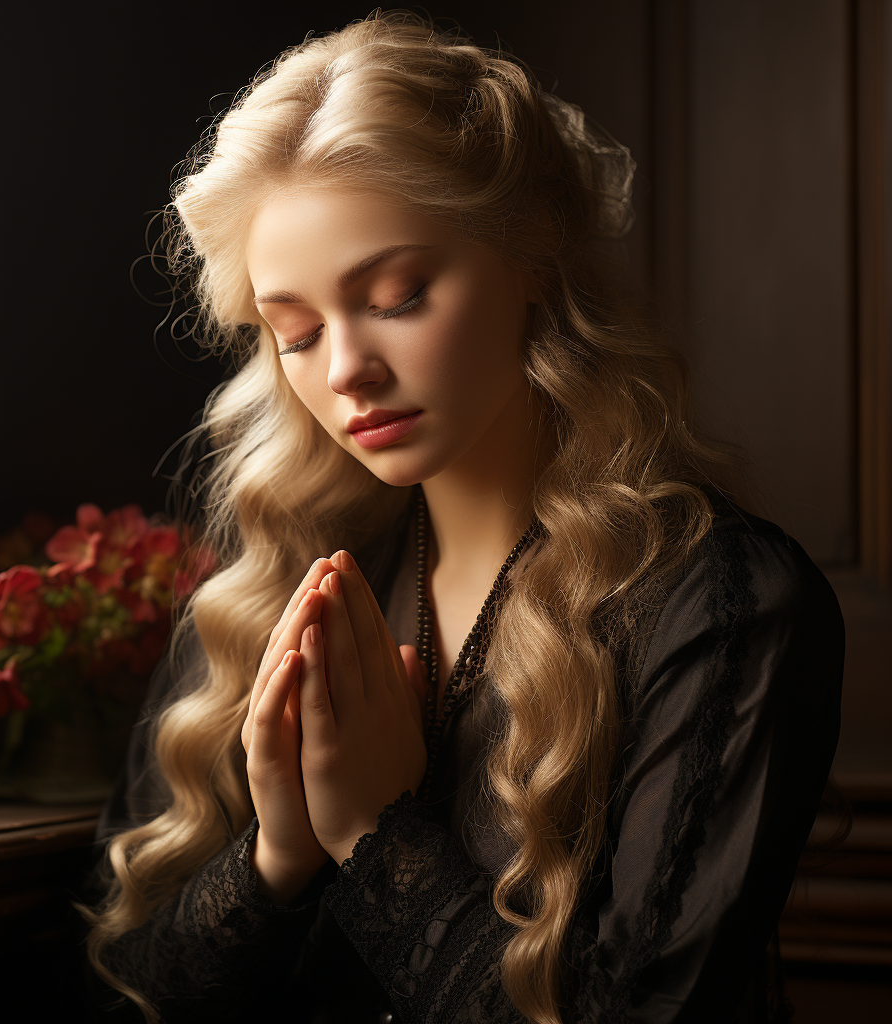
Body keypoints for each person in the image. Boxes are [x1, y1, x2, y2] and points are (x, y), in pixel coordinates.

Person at [82, 11, 845, 1024]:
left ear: (530, 259)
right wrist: (276, 853)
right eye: (296, 331)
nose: (346, 368)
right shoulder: (267, 584)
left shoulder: (724, 606)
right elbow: (121, 987)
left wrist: (372, 832)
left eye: (397, 295)